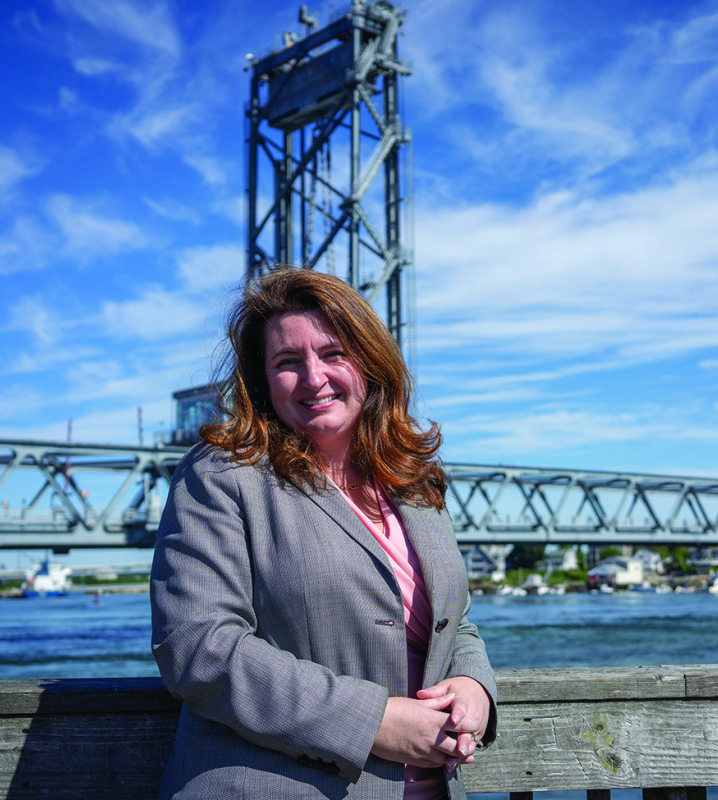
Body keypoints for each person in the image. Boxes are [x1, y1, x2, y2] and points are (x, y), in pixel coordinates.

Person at [150, 269, 496, 800]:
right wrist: (375, 721)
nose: (314, 377)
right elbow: (198, 648)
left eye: (334, 353)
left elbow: (456, 623)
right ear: (261, 380)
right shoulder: (222, 474)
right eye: (287, 362)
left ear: (370, 362)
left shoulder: (414, 480)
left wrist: (475, 687)